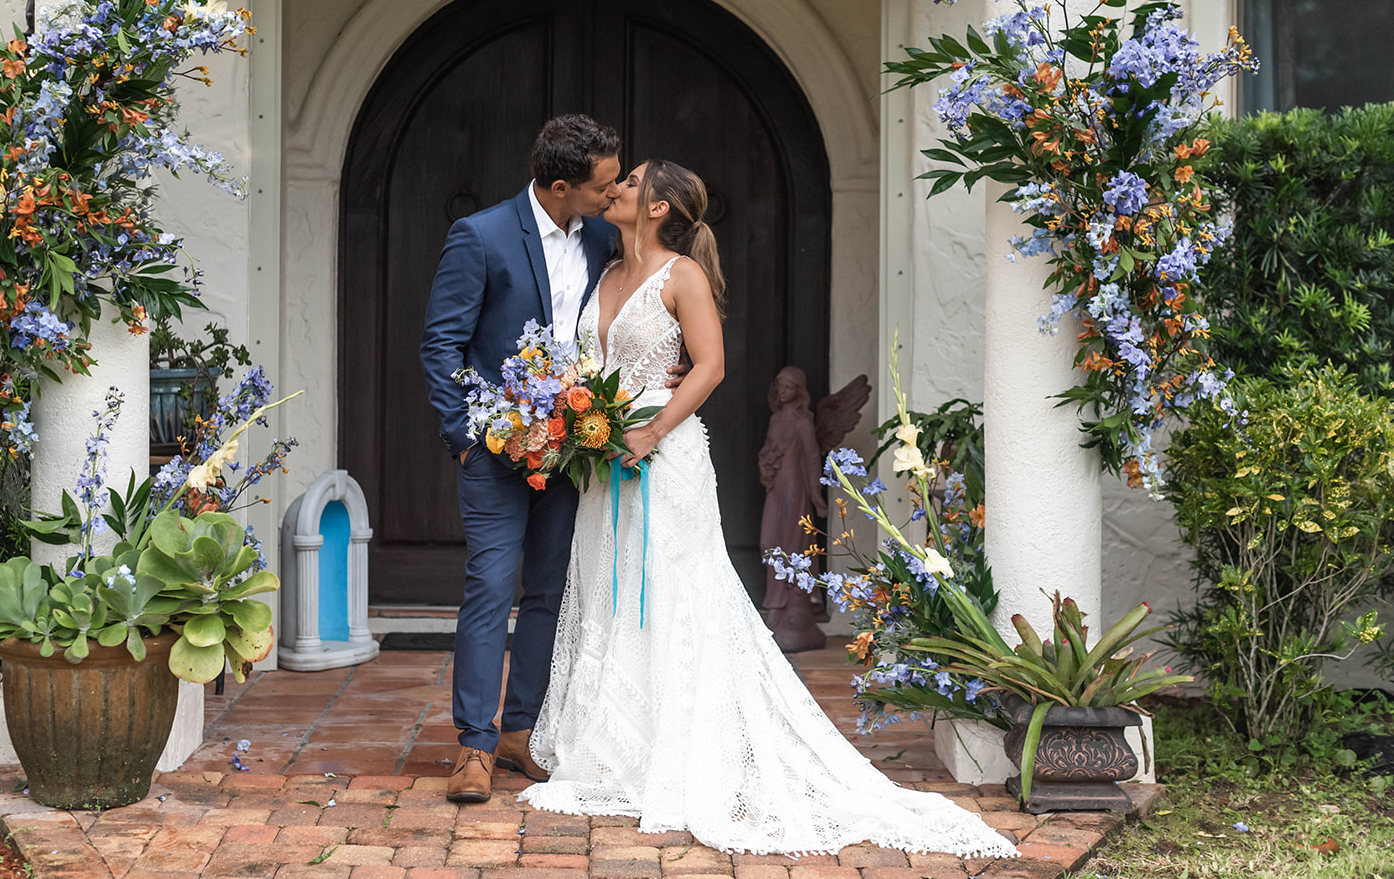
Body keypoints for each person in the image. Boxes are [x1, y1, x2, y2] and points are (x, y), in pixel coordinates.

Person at [520, 160, 1017, 860]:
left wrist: (651, 431)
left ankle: (688, 747)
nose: (617, 190)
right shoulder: (605, 276)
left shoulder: (680, 276)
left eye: (631, 183)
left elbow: (710, 365)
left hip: (661, 457)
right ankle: (617, 745)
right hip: (604, 462)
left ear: (659, 208)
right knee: (609, 584)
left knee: (673, 590)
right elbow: (593, 365)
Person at [420, 114, 623, 804]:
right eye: (603, 184)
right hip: (496, 451)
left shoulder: (603, 237)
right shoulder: (480, 236)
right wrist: (466, 436)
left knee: (548, 594)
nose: (613, 193)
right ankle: (473, 745)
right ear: (561, 186)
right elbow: (441, 344)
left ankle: (520, 733)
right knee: (488, 590)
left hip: (572, 452)